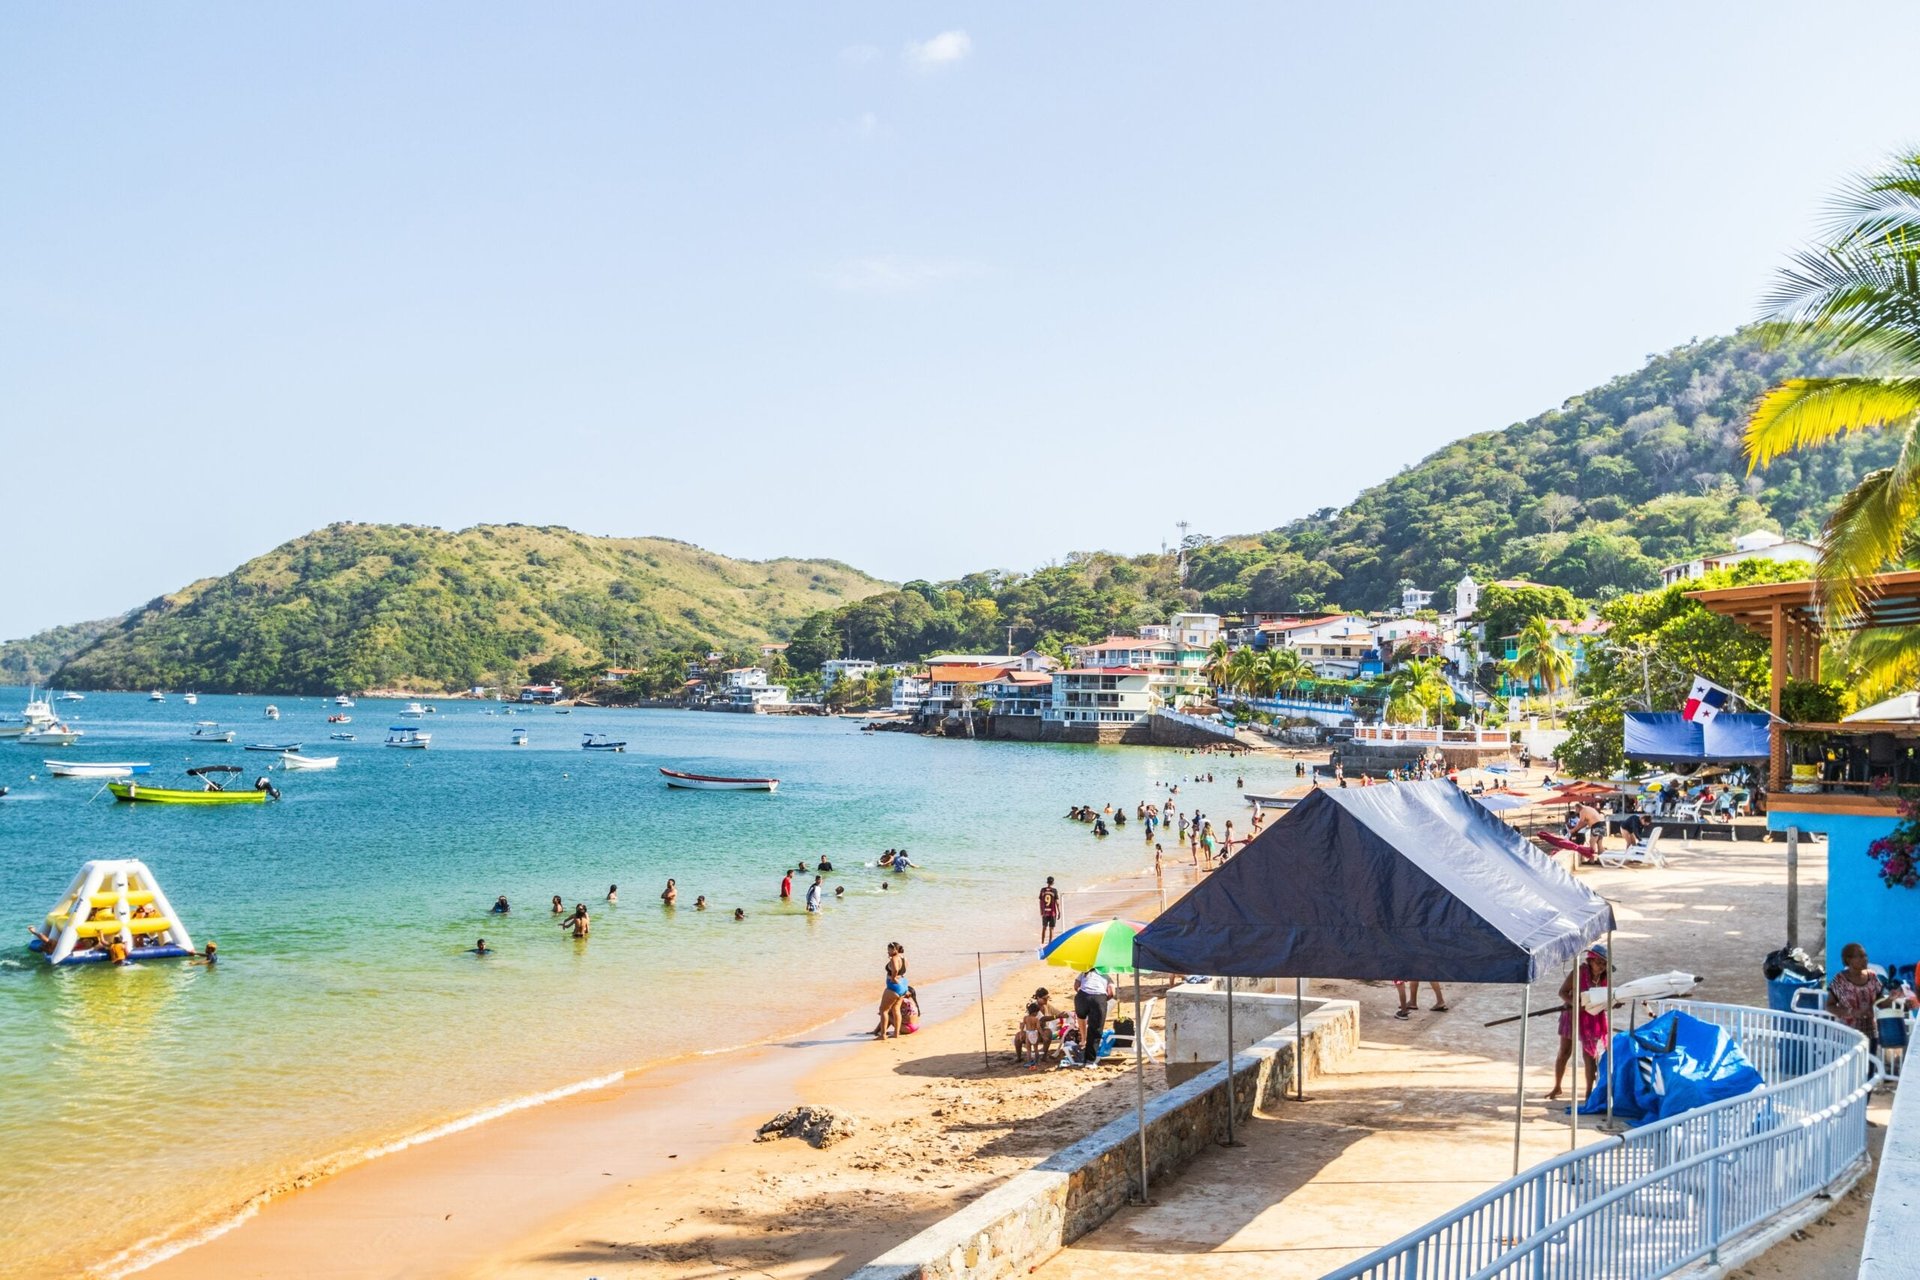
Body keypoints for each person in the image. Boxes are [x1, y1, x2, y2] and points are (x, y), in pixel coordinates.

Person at [1548, 946, 1613, 1100]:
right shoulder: (1578, 973)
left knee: (1589, 1055)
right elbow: (1562, 992)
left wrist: (1612, 1003)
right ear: (1590, 961)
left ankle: (1589, 1092)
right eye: (1598, 962)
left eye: (1604, 964)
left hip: (1593, 1017)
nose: (1602, 967)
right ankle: (1557, 1086)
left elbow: (1606, 998)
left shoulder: (1605, 978)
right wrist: (1576, 1004)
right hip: (1571, 1015)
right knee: (1565, 1052)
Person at [1827, 942, 1887, 1054]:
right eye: (1860, 956)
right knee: (1849, 1063)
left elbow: (1881, 1002)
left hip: (1870, 1034)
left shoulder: (1872, 977)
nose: (1865, 959)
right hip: (1847, 1034)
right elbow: (1829, 1006)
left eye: (1865, 956)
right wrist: (1851, 1012)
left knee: (1870, 1064)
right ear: (1848, 959)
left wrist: (1893, 998)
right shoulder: (1840, 980)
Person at [1074, 967, 1112, 1065]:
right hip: (1098, 997)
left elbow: (1076, 986)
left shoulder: (1084, 972)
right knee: (1095, 1029)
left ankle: (1083, 1040)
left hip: (1082, 997)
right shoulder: (1106, 976)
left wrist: (1083, 995)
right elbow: (1111, 993)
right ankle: (1090, 1061)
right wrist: (1102, 1000)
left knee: (1081, 1017)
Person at [1016, 1001, 1047, 1066]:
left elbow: (1022, 1026)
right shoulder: (1036, 1019)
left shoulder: (1025, 1018)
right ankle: (1037, 1062)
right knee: (1036, 1049)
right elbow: (1039, 1028)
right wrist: (1043, 1035)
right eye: (1037, 1012)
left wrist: (1021, 1034)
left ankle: (1029, 1062)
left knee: (1028, 1050)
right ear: (1034, 1012)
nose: (1037, 1014)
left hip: (1028, 1034)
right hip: (1034, 1033)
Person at [1038, 877, 1062, 944]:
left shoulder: (1043, 890)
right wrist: (1059, 911)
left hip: (1045, 912)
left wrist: (1041, 911)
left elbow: (1040, 901)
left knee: (1044, 928)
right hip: (1052, 913)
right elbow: (1057, 903)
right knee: (1051, 928)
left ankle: (1042, 943)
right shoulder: (1054, 890)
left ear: (1047, 882)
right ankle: (1050, 943)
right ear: (1053, 883)